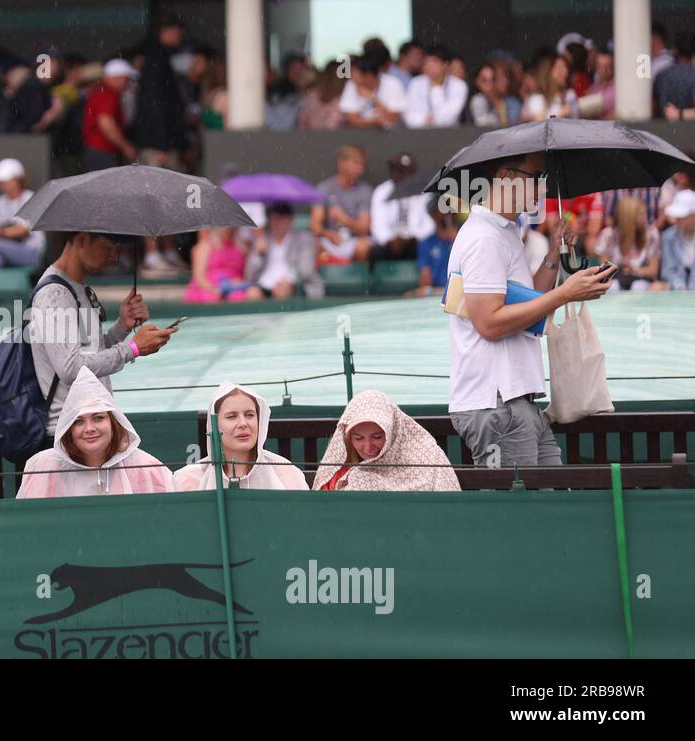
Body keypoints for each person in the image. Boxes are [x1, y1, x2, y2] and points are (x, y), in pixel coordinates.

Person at [446, 153, 614, 467]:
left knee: (547, 506)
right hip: (498, 403)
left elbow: (526, 302)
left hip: (513, 401)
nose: (542, 186)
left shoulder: (502, 230)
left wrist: (554, 254)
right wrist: (565, 293)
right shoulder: (484, 236)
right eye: (536, 176)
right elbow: (490, 323)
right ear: (505, 175)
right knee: (522, 513)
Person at [31, 232, 175, 438]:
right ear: (82, 240)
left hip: (88, 427)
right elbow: (70, 369)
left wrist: (122, 327)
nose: (114, 257)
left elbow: (91, 353)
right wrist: (132, 348)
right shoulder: (54, 294)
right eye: (108, 248)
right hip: (69, 434)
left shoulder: (76, 288)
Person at [17, 367, 174, 498]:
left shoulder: (146, 467)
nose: (89, 428)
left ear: (113, 422)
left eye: (98, 418)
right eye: (78, 421)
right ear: (68, 428)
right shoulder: (43, 467)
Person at [313, 390, 460, 491]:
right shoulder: (336, 474)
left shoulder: (428, 454)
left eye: (377, 437)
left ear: (393, 432)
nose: (368, 447)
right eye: (358, 438)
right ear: (348, 438)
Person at [174, 382, 307, 491]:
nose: (243, 424)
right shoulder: (188, 480)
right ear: (214, 426)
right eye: (232, 416)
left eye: (250, 415)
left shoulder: (287, 474)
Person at [131, 14, 188, 172]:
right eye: (178, 33)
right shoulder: (157, 57)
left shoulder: (158, 55)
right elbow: (155, 101)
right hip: (158, 144)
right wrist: (160, 143)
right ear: (168, 31)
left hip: (158, 140)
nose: (180, 38)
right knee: (161, 187)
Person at [243, 202, 323, 300]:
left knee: (282, 292)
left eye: (280, 219)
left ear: (290, 220)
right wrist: (258, 254)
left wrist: (289, 281)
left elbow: (306, 269)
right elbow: (250, 275)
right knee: (252, 293)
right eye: (274, 219)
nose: (277, 223)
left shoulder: (304, 238)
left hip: (295, 285)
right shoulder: (263, 239)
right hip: (265, 285)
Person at [312, 145, 375, 264]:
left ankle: (357, 279)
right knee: (312, 245)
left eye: (362, 165)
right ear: (342, 163)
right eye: (356, 164)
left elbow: (364, 228)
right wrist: (328, 234)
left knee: (364, 247)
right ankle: (327, 276)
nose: (360, 169)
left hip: (354, 241)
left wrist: (345, 220)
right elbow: (315, 226)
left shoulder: (366, 191)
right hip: (331, 241)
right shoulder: (324, 188)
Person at [370, 152, 435, 263]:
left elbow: (429, 223)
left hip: (415, 243)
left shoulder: (424, 192)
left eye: (401, 171)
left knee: (429, 251)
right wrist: (390, 240)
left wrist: (413, 238)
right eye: (394, 169)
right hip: (389, 245)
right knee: (374, 253)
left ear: (412, 174)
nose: (396, 174)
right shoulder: (382, 191)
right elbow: (377, 225)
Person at [80, 59, 139, 173]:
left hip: (98, 152)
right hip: (101, 153)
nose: (128, 83)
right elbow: (106, 123)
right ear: (117, 77)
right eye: (126, 79)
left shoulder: (102, 92)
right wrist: (126, 147)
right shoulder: (107, 93)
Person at [594, 197, 663, 291]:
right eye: (641, 214)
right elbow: (604, 271)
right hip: (616, 279)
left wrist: (634, 271)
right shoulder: (608, 236)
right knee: (613, 287)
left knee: (638, 287)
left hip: (642, 280)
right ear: (629, 217)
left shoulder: (651, 234)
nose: (645, 218)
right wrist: (619, 268)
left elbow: (653, 271)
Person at [403, 45, 467, 128]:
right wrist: (425, 121)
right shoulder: (415, 83)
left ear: (445, 65)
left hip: (449, 135)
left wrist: (436, 87)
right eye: (426, 62)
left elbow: (448, 120)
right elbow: (409, 116)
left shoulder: (459, 85)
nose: (429, 65)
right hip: (419, 135)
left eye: (434, 62)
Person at [184, 227, 249, 303]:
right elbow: (199, 277)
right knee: (212, 297)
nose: (229, 229)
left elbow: (242, 274)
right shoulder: (205, 246)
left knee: (250, 294)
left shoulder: (240, 248)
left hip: (232, 288)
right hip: (208, 288)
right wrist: (214, 289)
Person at [339, 55, 406, 129]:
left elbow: (393, 119)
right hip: (361, 135)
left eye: (354, 73)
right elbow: (352, 118)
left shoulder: (393, 83)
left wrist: (374, 99)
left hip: (393, 135)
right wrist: (373, 121)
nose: (351, 76)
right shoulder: (351, 84)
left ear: (369, 75)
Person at [413, 203, 458, 296]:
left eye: (449, 210)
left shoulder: (465, 236)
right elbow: (425, 282)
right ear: (432, 214)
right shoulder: (427, 243)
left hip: (463, 291)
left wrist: (457, 239)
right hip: (438, 294)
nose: (447, 214)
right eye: (442, 209)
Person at [523, 56, 579, 121]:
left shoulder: (570, 94)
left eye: (566, 67)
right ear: (548, 72)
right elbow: (540, 125)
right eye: (559, 68)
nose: (565, 72)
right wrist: (561, 114)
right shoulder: (537, 99)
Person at [469, 61, 522, 127]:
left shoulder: (509, 102)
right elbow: (482, 125)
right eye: (484, 80)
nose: (489, 84)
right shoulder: (478, 100)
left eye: (492, 79)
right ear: (476, 82)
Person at [660, 190, 695, 289]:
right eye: (677, 217)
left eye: (682, 217)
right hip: (676, 292)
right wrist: (679, 286)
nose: (678, 221)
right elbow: (668, 270)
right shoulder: (668, 237)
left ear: (693, 216)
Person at [657, 32, 695, 121]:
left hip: (661, 130)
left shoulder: (661, 75)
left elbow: (653, 108)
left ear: (675, 50)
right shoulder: (693, 75)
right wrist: (680, 114)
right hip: (690, 130)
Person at [297, 61, 345, 131]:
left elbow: (302, 120)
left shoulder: (312, 94)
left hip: (309, 138)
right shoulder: (343, 99)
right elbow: (331, 126)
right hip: (333, 139)